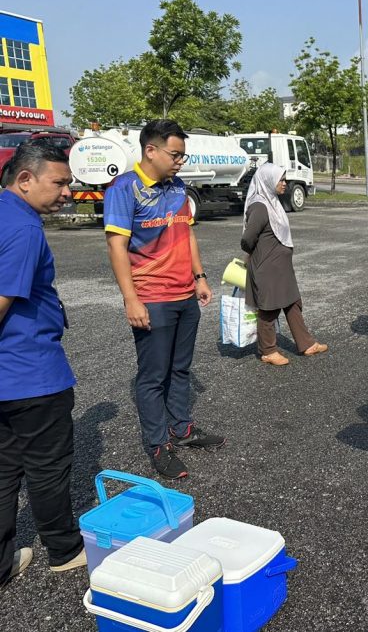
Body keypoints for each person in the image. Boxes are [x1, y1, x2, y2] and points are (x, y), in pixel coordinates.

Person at [104, 119, 224, 481]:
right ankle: (158, 445)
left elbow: (185, 233)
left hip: (185, 295)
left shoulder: (177, 187)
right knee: (154, 376)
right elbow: (116, 245)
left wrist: (199, 276)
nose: (180, 162)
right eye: (175, 154)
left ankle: (182, 430)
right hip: (152, 297)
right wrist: (131, 299)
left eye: (183, 156)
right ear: (150, 150)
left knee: (180, 368)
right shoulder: (125, 188)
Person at [0, 141, 87, 585]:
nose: (68, 191)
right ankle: (64, 549)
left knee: (3, 469)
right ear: (25, 179)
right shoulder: (23, 229)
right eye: (60, 182)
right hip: (31, 373)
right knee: (47, 467)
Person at [240, 162, 327, 366]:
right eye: (281, 179)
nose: (285, 183)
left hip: (280, 267)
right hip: (267, 267)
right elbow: (247, 239)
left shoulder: (272, 202)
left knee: (292, 303)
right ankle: (268, 350)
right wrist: (253, 252)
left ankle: (306, 344)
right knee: (269, 308)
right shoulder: (260, 206)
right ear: (268, 181)